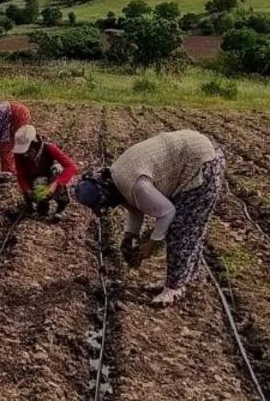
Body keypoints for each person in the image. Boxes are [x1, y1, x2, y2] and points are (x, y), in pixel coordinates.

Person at [74, 130, 225, 306]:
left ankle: (174, 288)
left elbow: (167, 212)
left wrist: (151, 244)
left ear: (105, 195)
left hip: (202, 162)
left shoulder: (135, 184)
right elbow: (135, 205)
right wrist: (130, 234)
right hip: (192, 154)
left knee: (180, 229)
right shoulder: (116, 176)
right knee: (183, 228)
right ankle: (181, 279)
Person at [12, 125, 77, 220]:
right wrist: (28, 191)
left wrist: (56, 184)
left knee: (57, 169)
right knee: (37, 196)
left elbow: (71, 167)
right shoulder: (19, 155)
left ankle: (61, 207)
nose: (26, 153)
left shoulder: (49, 148)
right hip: (34, 180)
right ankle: (39, 204)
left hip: (49, 177)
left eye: (28, 149)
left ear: (34, 143)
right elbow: (21, 176)